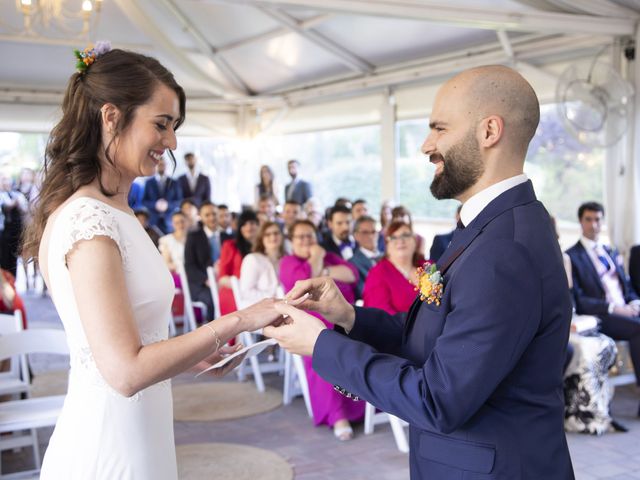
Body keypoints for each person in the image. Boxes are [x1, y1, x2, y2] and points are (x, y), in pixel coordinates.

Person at [265, 65, 574, 479]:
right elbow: (440, 337)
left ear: (489, 132)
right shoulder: (492, 228)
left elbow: (438, 399)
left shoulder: (504, 251)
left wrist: (321, 345)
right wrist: (349, 317)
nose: (427, 145)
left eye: (439, 128)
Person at [20, 45, 280, 479]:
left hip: (141, 433)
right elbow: (123, 371)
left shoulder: (113, 213)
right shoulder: (89, 221)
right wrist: (238, 320)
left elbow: (128, 335)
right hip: (108, 448)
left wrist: (193, 353)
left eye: (174, 126)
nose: (172, 142)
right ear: (111, 117)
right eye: (161, 124)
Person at [279, 219, 363, 440]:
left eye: (311, 236)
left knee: (363, 346)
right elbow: (303, 284)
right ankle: (338, 415)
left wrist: (322, 266)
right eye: (301, 236)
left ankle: (363, 408)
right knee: (324, 350)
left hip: (344, 317)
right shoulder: (288, 262)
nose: (307, 240)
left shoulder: (329, 257)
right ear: (291, 241)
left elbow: (351, 274)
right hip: (311, 321)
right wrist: (317, 259)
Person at [565, 201, 640, 385]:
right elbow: (580, 300)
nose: (594, 225)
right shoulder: (572, 256)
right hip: (601, 315)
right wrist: (614, 308)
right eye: (588, 219)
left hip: (627, 311)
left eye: (598, 220)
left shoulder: (611, 251)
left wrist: (634, 303)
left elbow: (627, 287)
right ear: (580, 222)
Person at [363, 221, 423, 314]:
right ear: (387, 245)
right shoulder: (378, 273)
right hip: (399, 327)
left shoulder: (428, 266)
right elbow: (380, 315)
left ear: (415, 241)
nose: (400, 241)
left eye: (406, 235)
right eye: (393, 237)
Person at [218, 210, 259, 315]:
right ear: (240, 228)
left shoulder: (263, 246)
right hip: (235, 291)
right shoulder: (230, 245)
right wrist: (242, 286)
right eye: (244, 224)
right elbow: (222, 278)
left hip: (259, 290)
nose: (249, 227)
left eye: (252, 223)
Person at [184, 201, 220, 320]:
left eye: (214, 214)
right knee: (213, 298)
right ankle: (215, 333)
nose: (212, 218)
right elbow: (189, 266)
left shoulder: (227, 235)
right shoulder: (193, 237)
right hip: (202, 284)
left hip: (223, 281)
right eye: (207, 215)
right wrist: (206, 280)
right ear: (201, 216)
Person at [240, 221, 285, 304]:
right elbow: (245, 292)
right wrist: (274, 298)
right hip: (263, 309)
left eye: (276, 233)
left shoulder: (287, 258)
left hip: (288, 306)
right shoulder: (253, 259)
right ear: (261, 238)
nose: (273, 237)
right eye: (268, 234)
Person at [142, 157, 182, 234]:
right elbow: (144, 201)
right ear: (155, 166)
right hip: (153, 221)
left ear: (166, 166)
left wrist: (168, 205)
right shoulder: (148, 182)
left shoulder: (174, 182)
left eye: (163, 164)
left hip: (170, 221)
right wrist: (155, 205)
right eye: (159, 164)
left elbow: (179, 201)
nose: (161, 166)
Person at [0, 174, 28, 278]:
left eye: (7, 180)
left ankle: (13, 282)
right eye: (3, 180)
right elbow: (6, 206)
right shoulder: (2, 195)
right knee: (4, 259)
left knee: (14, 258)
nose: (5, 183)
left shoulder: (16, 194)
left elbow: (25, 209)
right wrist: (15, 203)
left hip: (15, 231)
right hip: (3, 233)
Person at [349, 215, 380, 299]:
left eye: (373, 232)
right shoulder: (352, 264)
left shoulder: (389, 257)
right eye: (365, 232)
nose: (371, 236)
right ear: (356, 236)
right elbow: (363, 292)